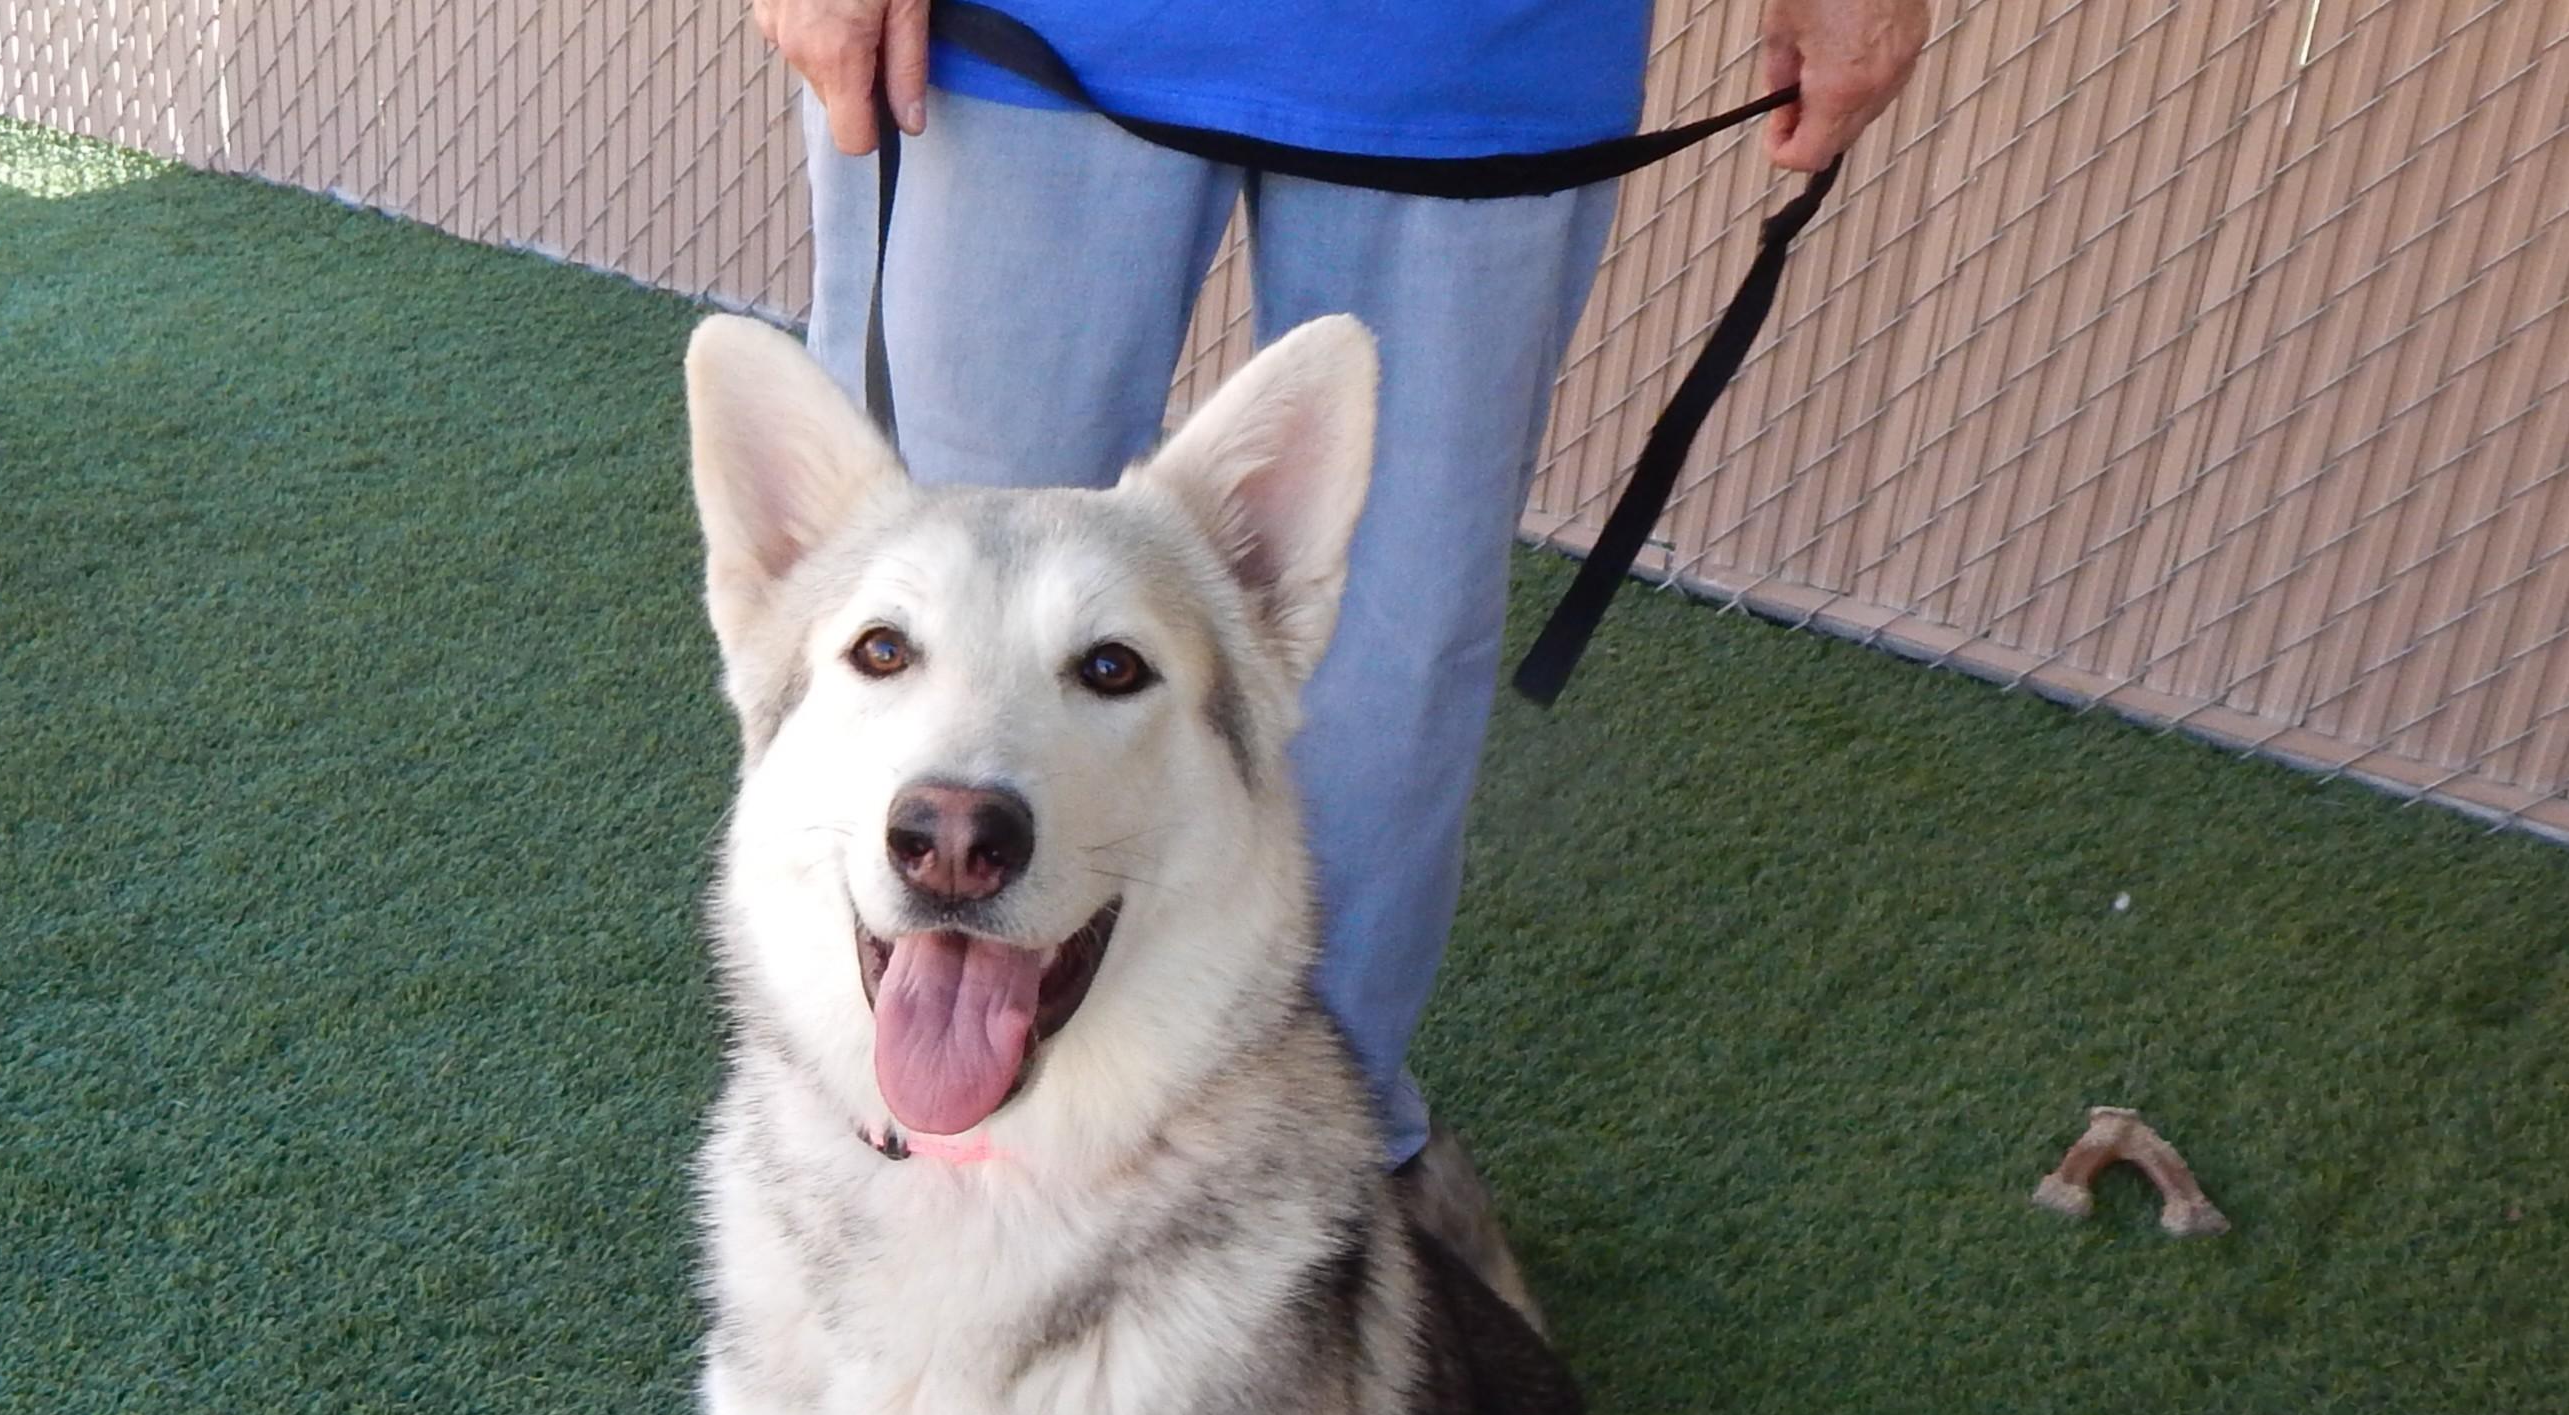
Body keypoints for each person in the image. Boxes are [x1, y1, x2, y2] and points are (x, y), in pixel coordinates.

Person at [753, 0, 1930, 1293]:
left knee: (1389, 664)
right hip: (1017, 31)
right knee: (931, 649)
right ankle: (906, 1170)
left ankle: (1316, 1180)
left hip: (1462, 50)